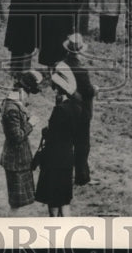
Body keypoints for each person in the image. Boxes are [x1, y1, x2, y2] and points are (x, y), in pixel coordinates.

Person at [34, 62, 81, 217]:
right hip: (67, 157)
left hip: (53, 159)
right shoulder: (77, 108)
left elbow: (52, 134)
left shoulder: (59, 110)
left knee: (53, 200)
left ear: (60, 89)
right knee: (65, 199)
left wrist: (45, 131)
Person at [0, 70, 43, 211]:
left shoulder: (15, 103)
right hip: (15, 161)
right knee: (16, 204)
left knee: (19, 204)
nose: (29, 98)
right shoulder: (12, 108)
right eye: (29, 93)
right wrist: (31, 124)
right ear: (25, 90)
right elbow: (17, 136)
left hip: (19, 159)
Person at [60, 34, 96, 186]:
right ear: (80, 51)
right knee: (82, 144)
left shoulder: (61, 65)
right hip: (81, 111)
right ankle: (82, 176)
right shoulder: (81, 70)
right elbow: (88, 91)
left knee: (65, 141)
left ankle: (62, 172)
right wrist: (95, 89)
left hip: (63, 108)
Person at [4, 0, 39, 75]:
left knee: (15, 40)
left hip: (16, 11)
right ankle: (24, 68)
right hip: (29, 13)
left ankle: (14, 67)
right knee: (27, 40)